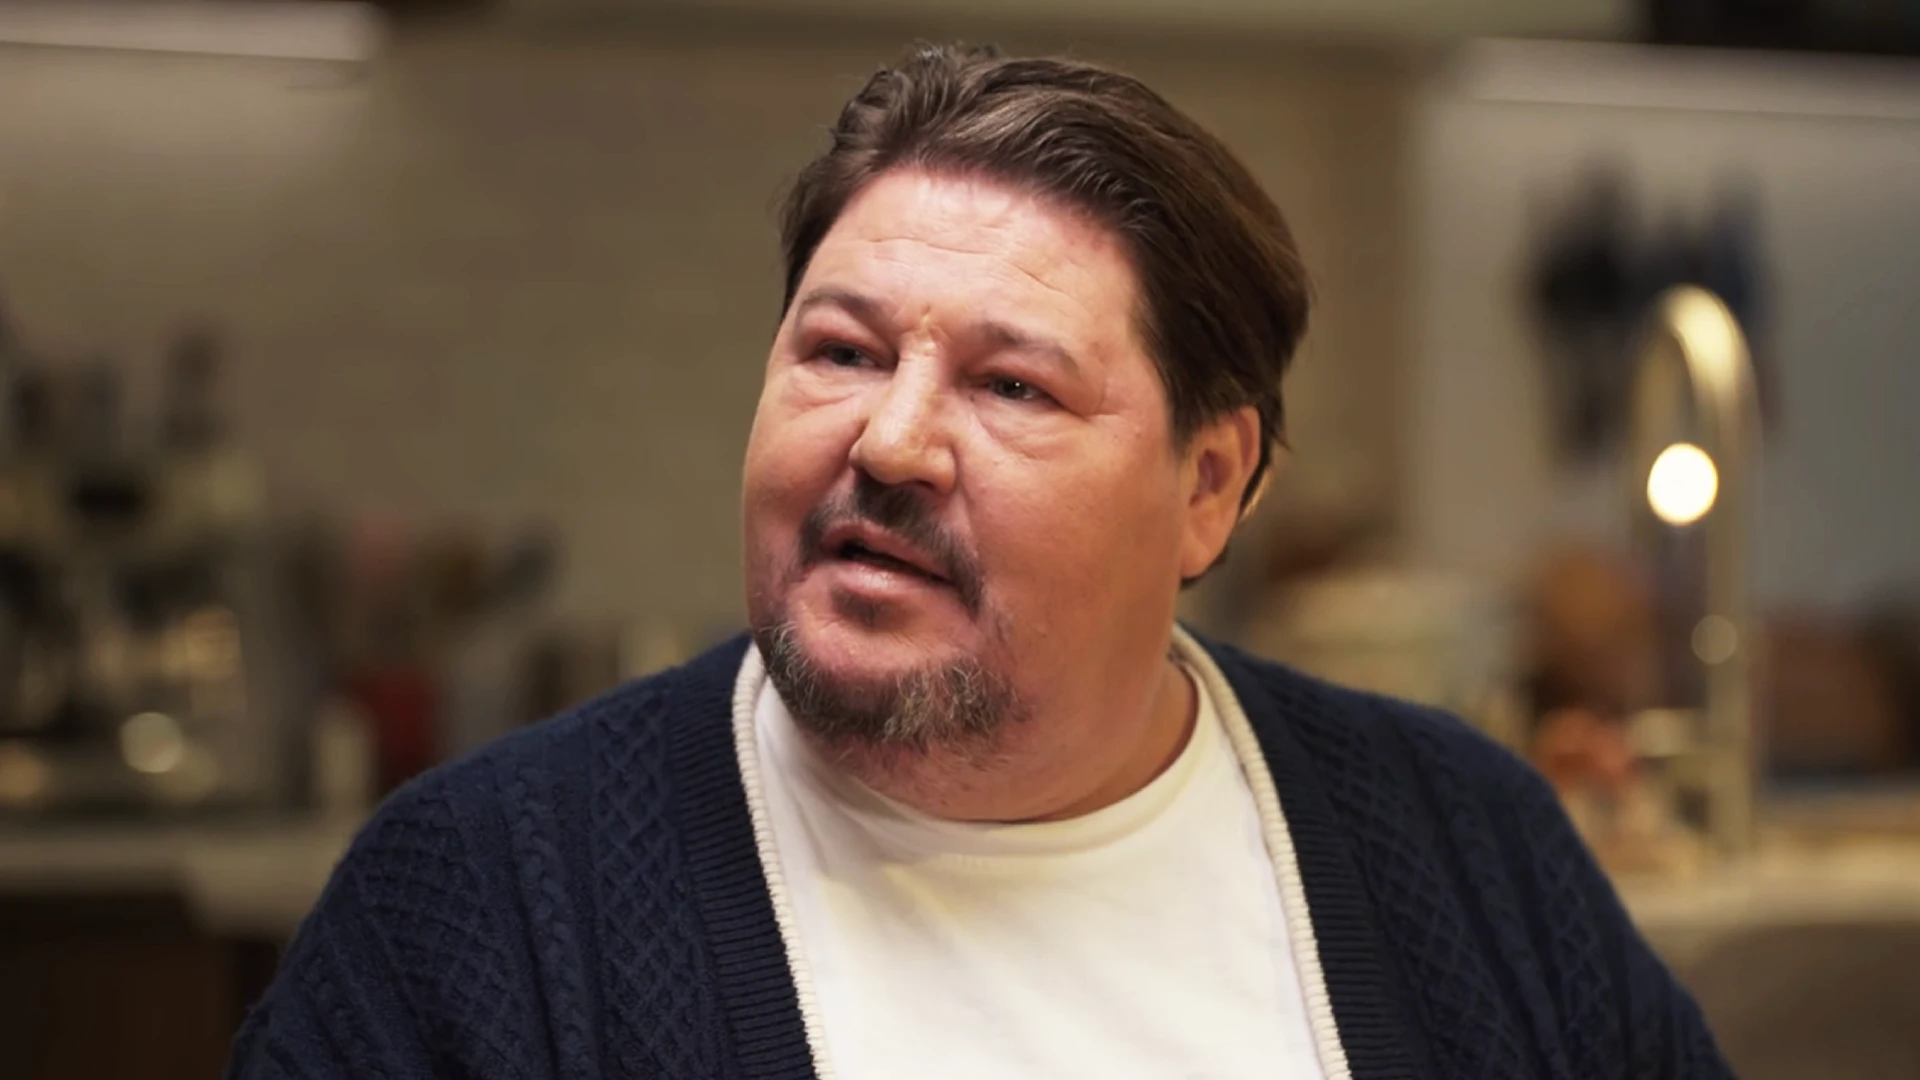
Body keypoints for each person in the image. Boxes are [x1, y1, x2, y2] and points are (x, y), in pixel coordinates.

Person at [228, 43, 1733, 1080]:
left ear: (1209, 486)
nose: (890, 441)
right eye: (840, 351)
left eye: (1012, 386)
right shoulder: (483, 906)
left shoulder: (1463, 849)